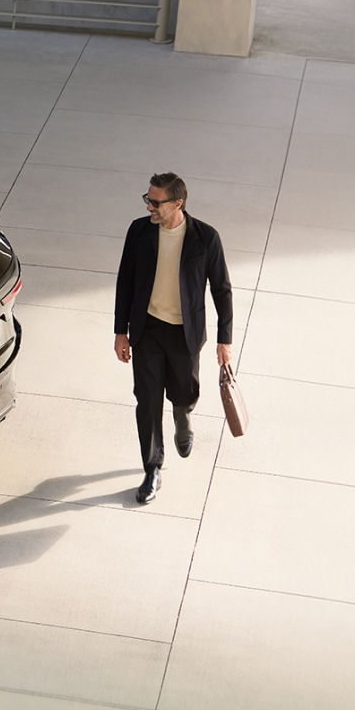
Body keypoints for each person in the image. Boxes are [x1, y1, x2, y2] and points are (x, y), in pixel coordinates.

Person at [112, 172, 233, 504]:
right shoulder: (139, 232)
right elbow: (125, 281)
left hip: (185, 333)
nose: (149, 206)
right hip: (147, 330)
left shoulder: (205, 238)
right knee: (147, 401)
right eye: (147, 199)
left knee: (185, 392)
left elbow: (222, 289)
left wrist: (225, 339)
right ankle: (152, 468)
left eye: (156, 201)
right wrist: (120, 331)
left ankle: (182, 416)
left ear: (177, 203)